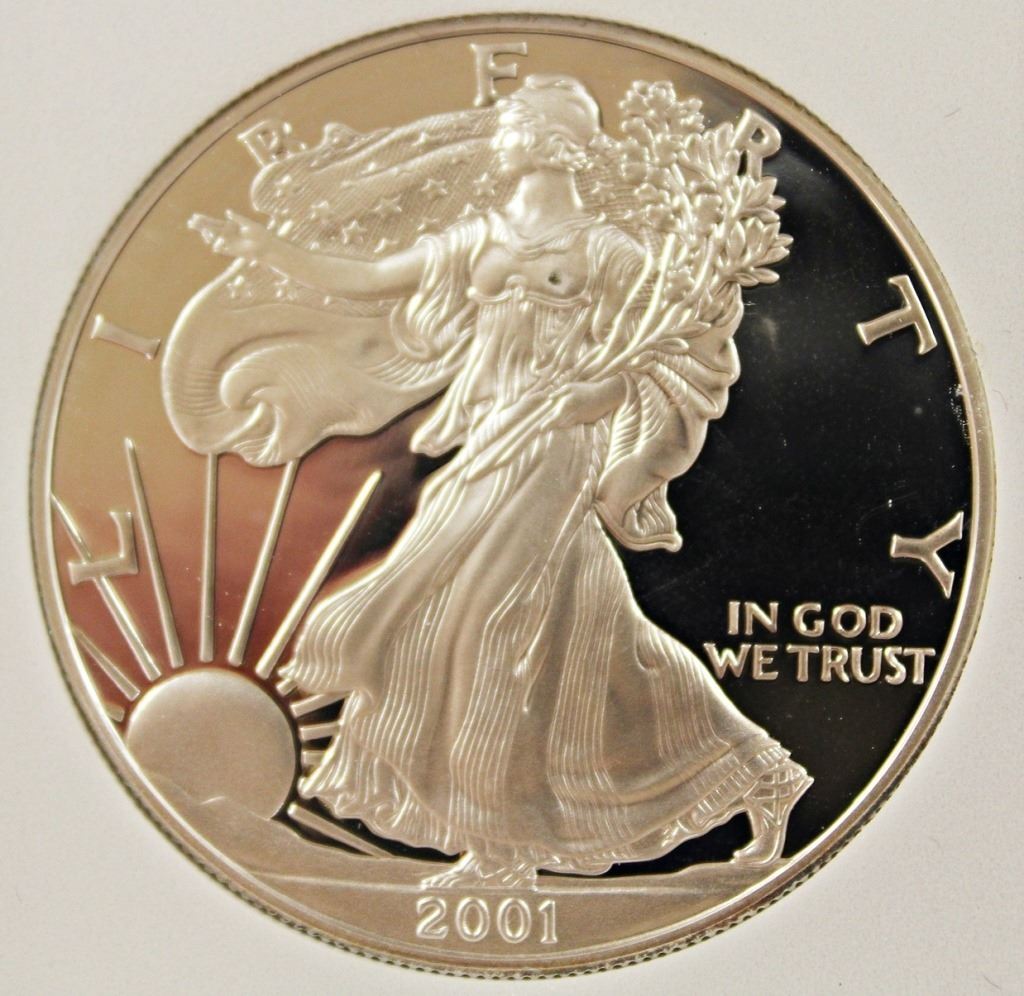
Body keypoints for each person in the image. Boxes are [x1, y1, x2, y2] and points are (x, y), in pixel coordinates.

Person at [211, 75, 811, 888]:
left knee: (485, 621)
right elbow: (376, 276)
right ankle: (758, 773)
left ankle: (500, 847)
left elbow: (676, 347)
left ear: (553, 139)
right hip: (494, 437)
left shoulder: (606, 250)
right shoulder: (479, 238)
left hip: (557, 449)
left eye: (514, 122)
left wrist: (597, 396)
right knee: (595, 635)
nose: (499, 134)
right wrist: (269, 253)